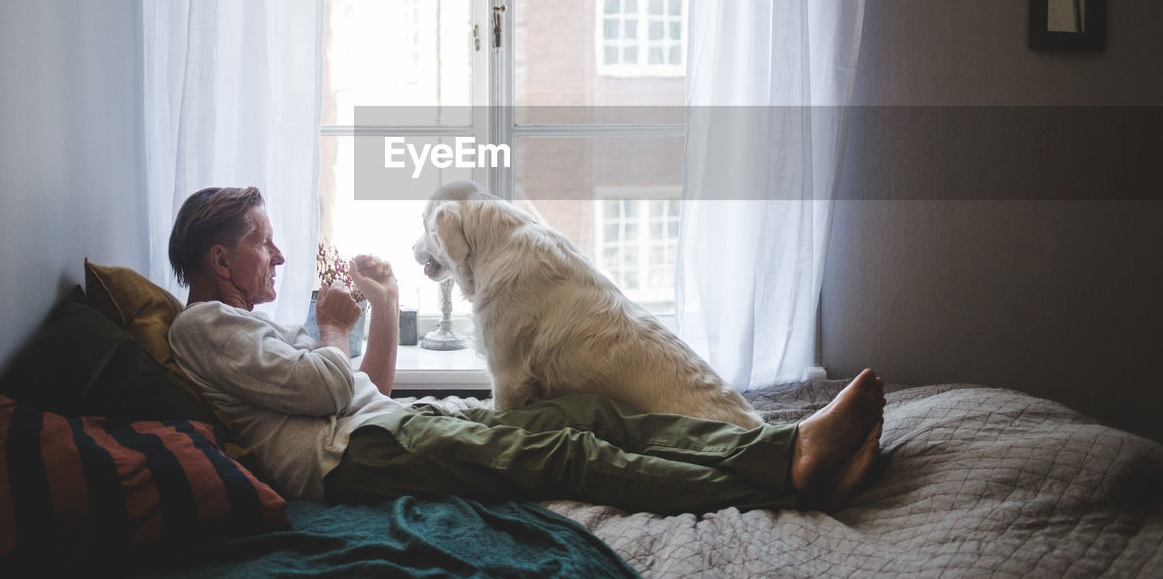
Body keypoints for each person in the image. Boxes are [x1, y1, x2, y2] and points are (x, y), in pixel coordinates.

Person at [166, 186, 885, 514]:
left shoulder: (250, 330)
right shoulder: (201, 328)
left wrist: (378, 306)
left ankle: (778, 444)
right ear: (221, 260)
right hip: (352, 458)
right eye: (264, 240)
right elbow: (330, 390)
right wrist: (331, 327)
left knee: (589, 410)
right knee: (567, 454)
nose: (281, 253)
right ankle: (787, 474)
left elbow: (363, 389)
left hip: (376, 428)